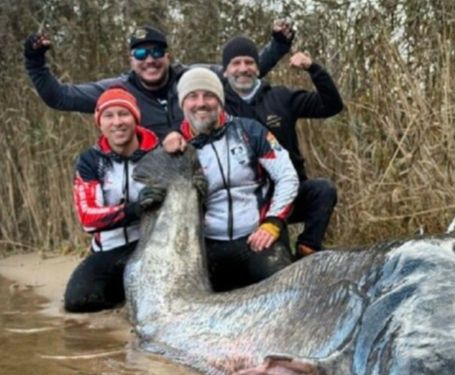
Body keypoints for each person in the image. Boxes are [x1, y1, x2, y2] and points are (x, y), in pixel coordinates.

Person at [23, 23, 294, 139]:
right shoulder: (118, 90)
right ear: (131, 59)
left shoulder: (193, 77)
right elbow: (59, 97)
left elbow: (240, 73)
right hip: (153, 181)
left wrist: (279, 45)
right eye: (141, 53)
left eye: (156, 52)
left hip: (205, 173)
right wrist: (35, 61)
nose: (149, 60)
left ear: (168, 55)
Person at [171, 67, 299, 291]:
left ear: (220, 100)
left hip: (257, 238)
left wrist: (273, 222)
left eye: (209, 95)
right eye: (192, 96)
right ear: (183, 104)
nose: (201, 103)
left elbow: (287, 176)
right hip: (207, 246)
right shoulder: (176, 149)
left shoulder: (250, 130)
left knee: (285, 290)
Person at [220, 35, 343, 258]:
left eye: (249, 62)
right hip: (248, 200)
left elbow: (331, 106)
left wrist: (313, 68)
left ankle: (307, 249)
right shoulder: (217, 106)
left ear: (258, 68)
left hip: (287, 190)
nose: (243, 68)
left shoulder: (281, 97)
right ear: (225, 71)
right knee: (275, 254)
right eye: (236, 63)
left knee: (323, 190)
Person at [65, 87, 163, 312]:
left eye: (124, 114)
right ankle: (122, 298)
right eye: (109, 116)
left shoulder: (158, 154)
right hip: (109, 250)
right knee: (77, 301)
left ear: (135, 118)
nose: (117, 122)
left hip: (151, 248)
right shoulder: (90, 161)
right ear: (100, 123)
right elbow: (88, 218)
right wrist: (134, 210)